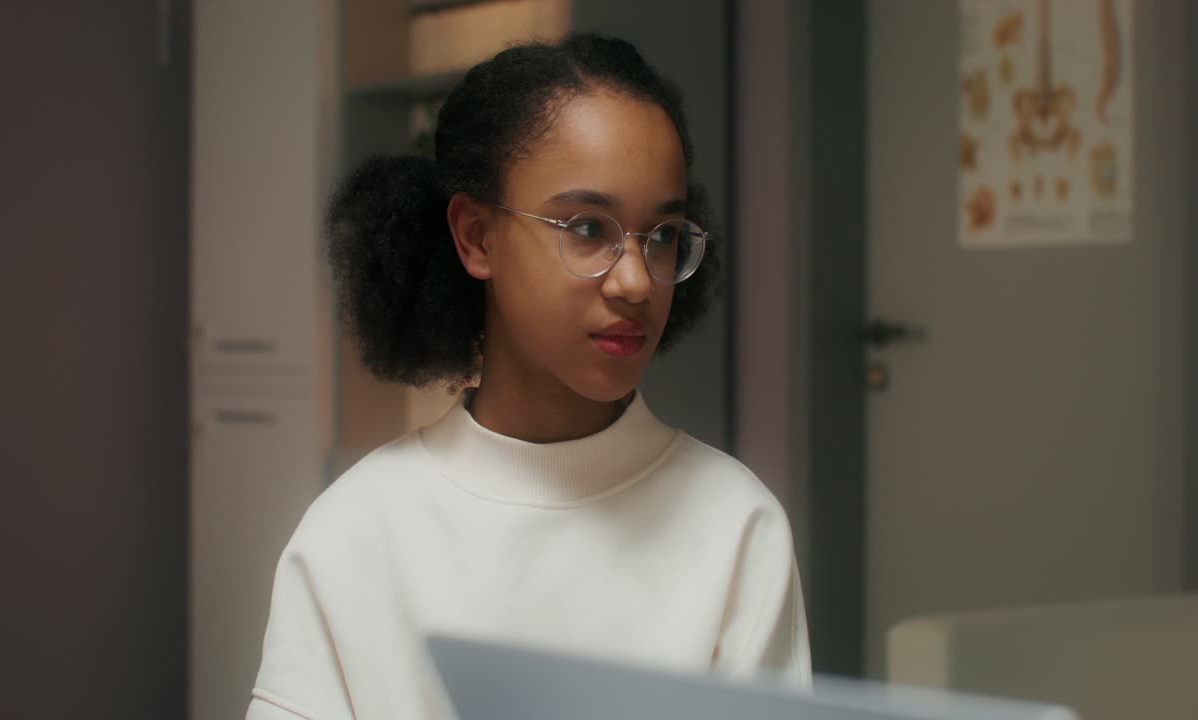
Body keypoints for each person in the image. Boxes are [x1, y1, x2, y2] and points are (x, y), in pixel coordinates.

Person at [247, 33, 810, 720]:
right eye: (586, 228)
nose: (635, 281)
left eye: (662, 236)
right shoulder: (354, 532)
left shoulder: (736, 526)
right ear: (476, 237)